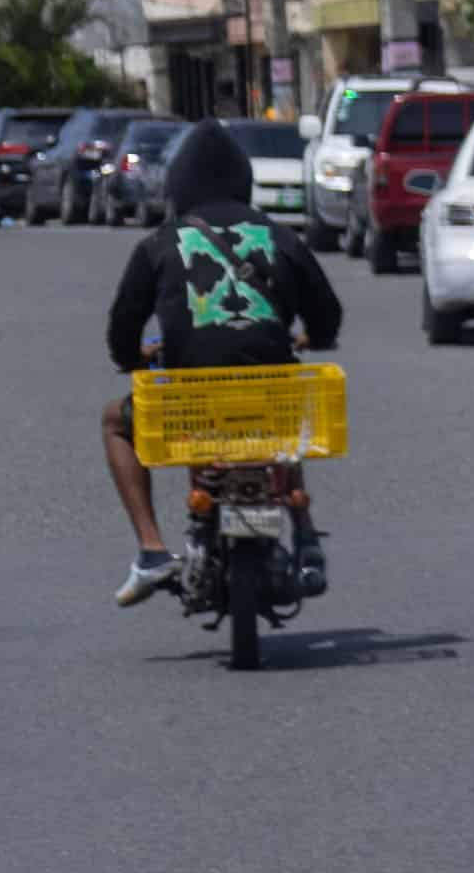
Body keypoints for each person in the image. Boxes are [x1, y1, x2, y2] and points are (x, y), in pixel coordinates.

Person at [104, 118, 342, 608]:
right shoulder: (282, 237)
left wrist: (134, 357)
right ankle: (304, 531)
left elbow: (123, 327)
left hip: (190, 401)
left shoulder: (158, 243)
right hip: (268, 393)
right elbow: (327, 314)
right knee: (284, 422)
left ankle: (151, 550)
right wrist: (313, 337)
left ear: (177, 187)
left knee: (114, 420)